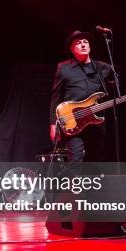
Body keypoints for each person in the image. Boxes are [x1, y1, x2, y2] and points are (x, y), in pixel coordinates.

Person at [49, 30, 113, 162]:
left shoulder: (103, 67)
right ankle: (73, 183)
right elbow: (56, 97)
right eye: (78, 43)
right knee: (76, 157)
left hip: (95, 121)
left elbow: (112, 89)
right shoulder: (64, 68)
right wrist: (53, 124)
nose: (83, 45)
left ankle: (91, 183)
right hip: (73, 120)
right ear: (72, 49)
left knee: (95, 160)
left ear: (89, 46)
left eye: (85, 42)